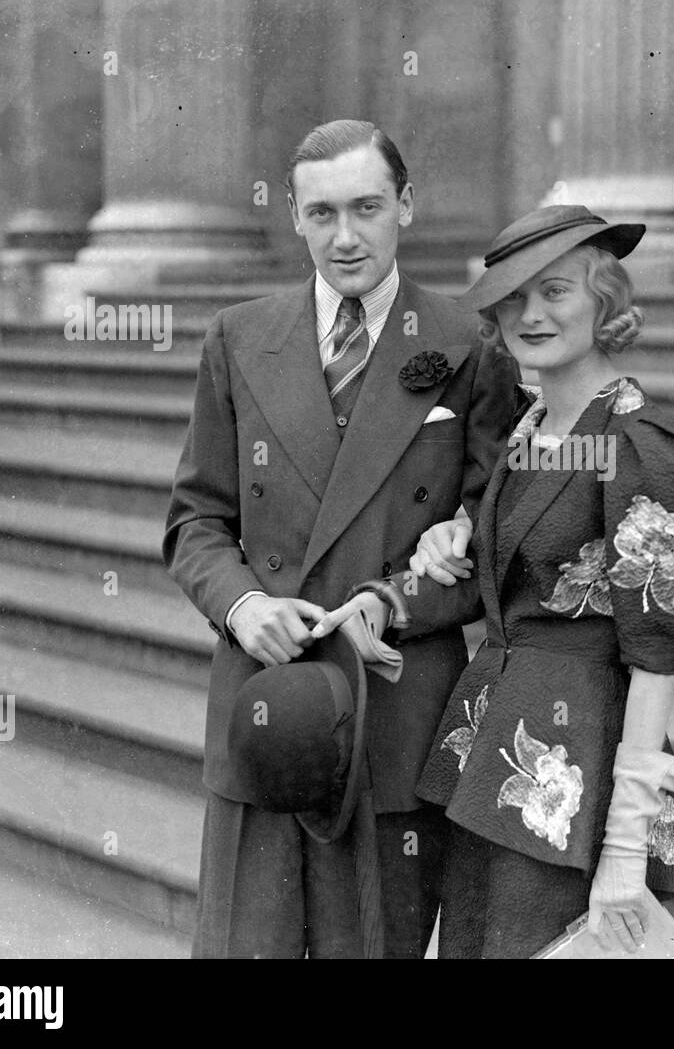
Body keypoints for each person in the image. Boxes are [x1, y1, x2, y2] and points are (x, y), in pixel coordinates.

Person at [162, 119, 518, 958]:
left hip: (392, 713)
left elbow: (495, 542)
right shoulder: (239, 339)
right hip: (264, 703)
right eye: (321, 214)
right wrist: (242, 603)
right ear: (292, 215)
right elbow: (196, 521)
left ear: (406, 204)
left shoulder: (468, 345)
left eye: (366, 207)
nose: (346, 237)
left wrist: (393, 599)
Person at [383, 204, 674, 958]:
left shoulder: (650, 445)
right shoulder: (533, 427)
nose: (530, 315)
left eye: (556, 292)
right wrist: (461, 529)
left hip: (581, 771)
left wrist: (627, 848)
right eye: (512, 298)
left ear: (605, 302)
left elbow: (655, 654)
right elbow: (531, 547)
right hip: (496, 755)